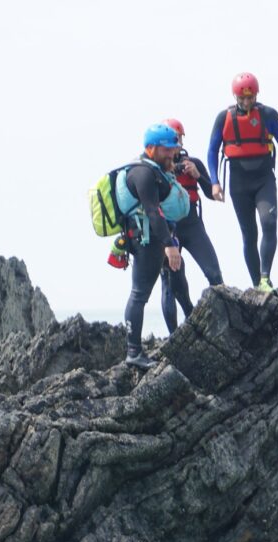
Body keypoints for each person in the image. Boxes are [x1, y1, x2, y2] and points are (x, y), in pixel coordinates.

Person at [206, 72, 278, 293]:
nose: (246, 102)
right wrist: (215, 182)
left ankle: (265, 277)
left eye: (250, 97)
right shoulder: (223, 118)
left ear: (256, 94)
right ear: (235, 96)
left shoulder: (269, 115)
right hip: (238, 181)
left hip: (264, 177)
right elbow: (212, 151)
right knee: (249, 234)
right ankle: (257, 284)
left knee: (269, 223)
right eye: (242, 98)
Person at [119, 123, 190, 368]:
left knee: (178, 281)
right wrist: (169, 245)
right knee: (139, 294)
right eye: (167, 149)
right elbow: (152, 211)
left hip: (159, 238)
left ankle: (190, 327)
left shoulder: (156, 168)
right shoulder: (142, 173)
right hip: (147, 241)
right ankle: (134, 352)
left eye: (174, 147)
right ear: (151, 149)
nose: (172, 153)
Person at [158, 118, 223, 334]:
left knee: (214, 273)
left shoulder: (192, 163)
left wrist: (198, 176)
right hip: (169, 230)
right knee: (171, 284)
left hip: (192, 224)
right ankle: (176, 335)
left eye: (178, 140)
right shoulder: (153, 169)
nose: (176, 145)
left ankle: (226, 322)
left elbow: (213, 195)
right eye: (171, 141)